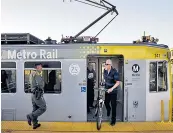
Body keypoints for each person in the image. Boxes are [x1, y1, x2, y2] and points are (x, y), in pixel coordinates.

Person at [26, 63, 47, 129]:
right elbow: (40, 84)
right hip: (37, 94)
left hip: (33, 94)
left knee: (35, 108)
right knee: (43, 108)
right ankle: (30, 116)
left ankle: (35, 124)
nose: (42, 68)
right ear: (37, 67)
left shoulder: (31, 74)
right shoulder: (37, 74)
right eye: (41, 67)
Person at [103, 59, 120, 126]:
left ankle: (113, 120)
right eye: (105, 64)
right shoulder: (104, 70)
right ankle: (108, 109)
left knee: (113, 106)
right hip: (107, 90)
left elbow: (118, 82)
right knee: (106, 102)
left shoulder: (114, 71)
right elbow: (105, 79)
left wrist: (112, 89)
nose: (105, 65)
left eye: (107, 64)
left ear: (110, 65)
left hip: (113, 91)